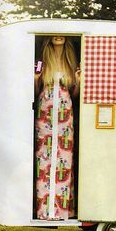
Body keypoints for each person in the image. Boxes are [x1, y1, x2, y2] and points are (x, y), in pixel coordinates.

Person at [35, 36, 80, 220]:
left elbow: (75, 96)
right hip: (44, 114)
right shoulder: (42, 63)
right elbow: (35, 92)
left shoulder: (71, 64)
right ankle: (45, 211)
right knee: (43, 163)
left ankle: (62, 211)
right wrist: (36, 79)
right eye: (53, 35)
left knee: (64, 159)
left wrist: (78, 81)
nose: (58, 37)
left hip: (64, 115)